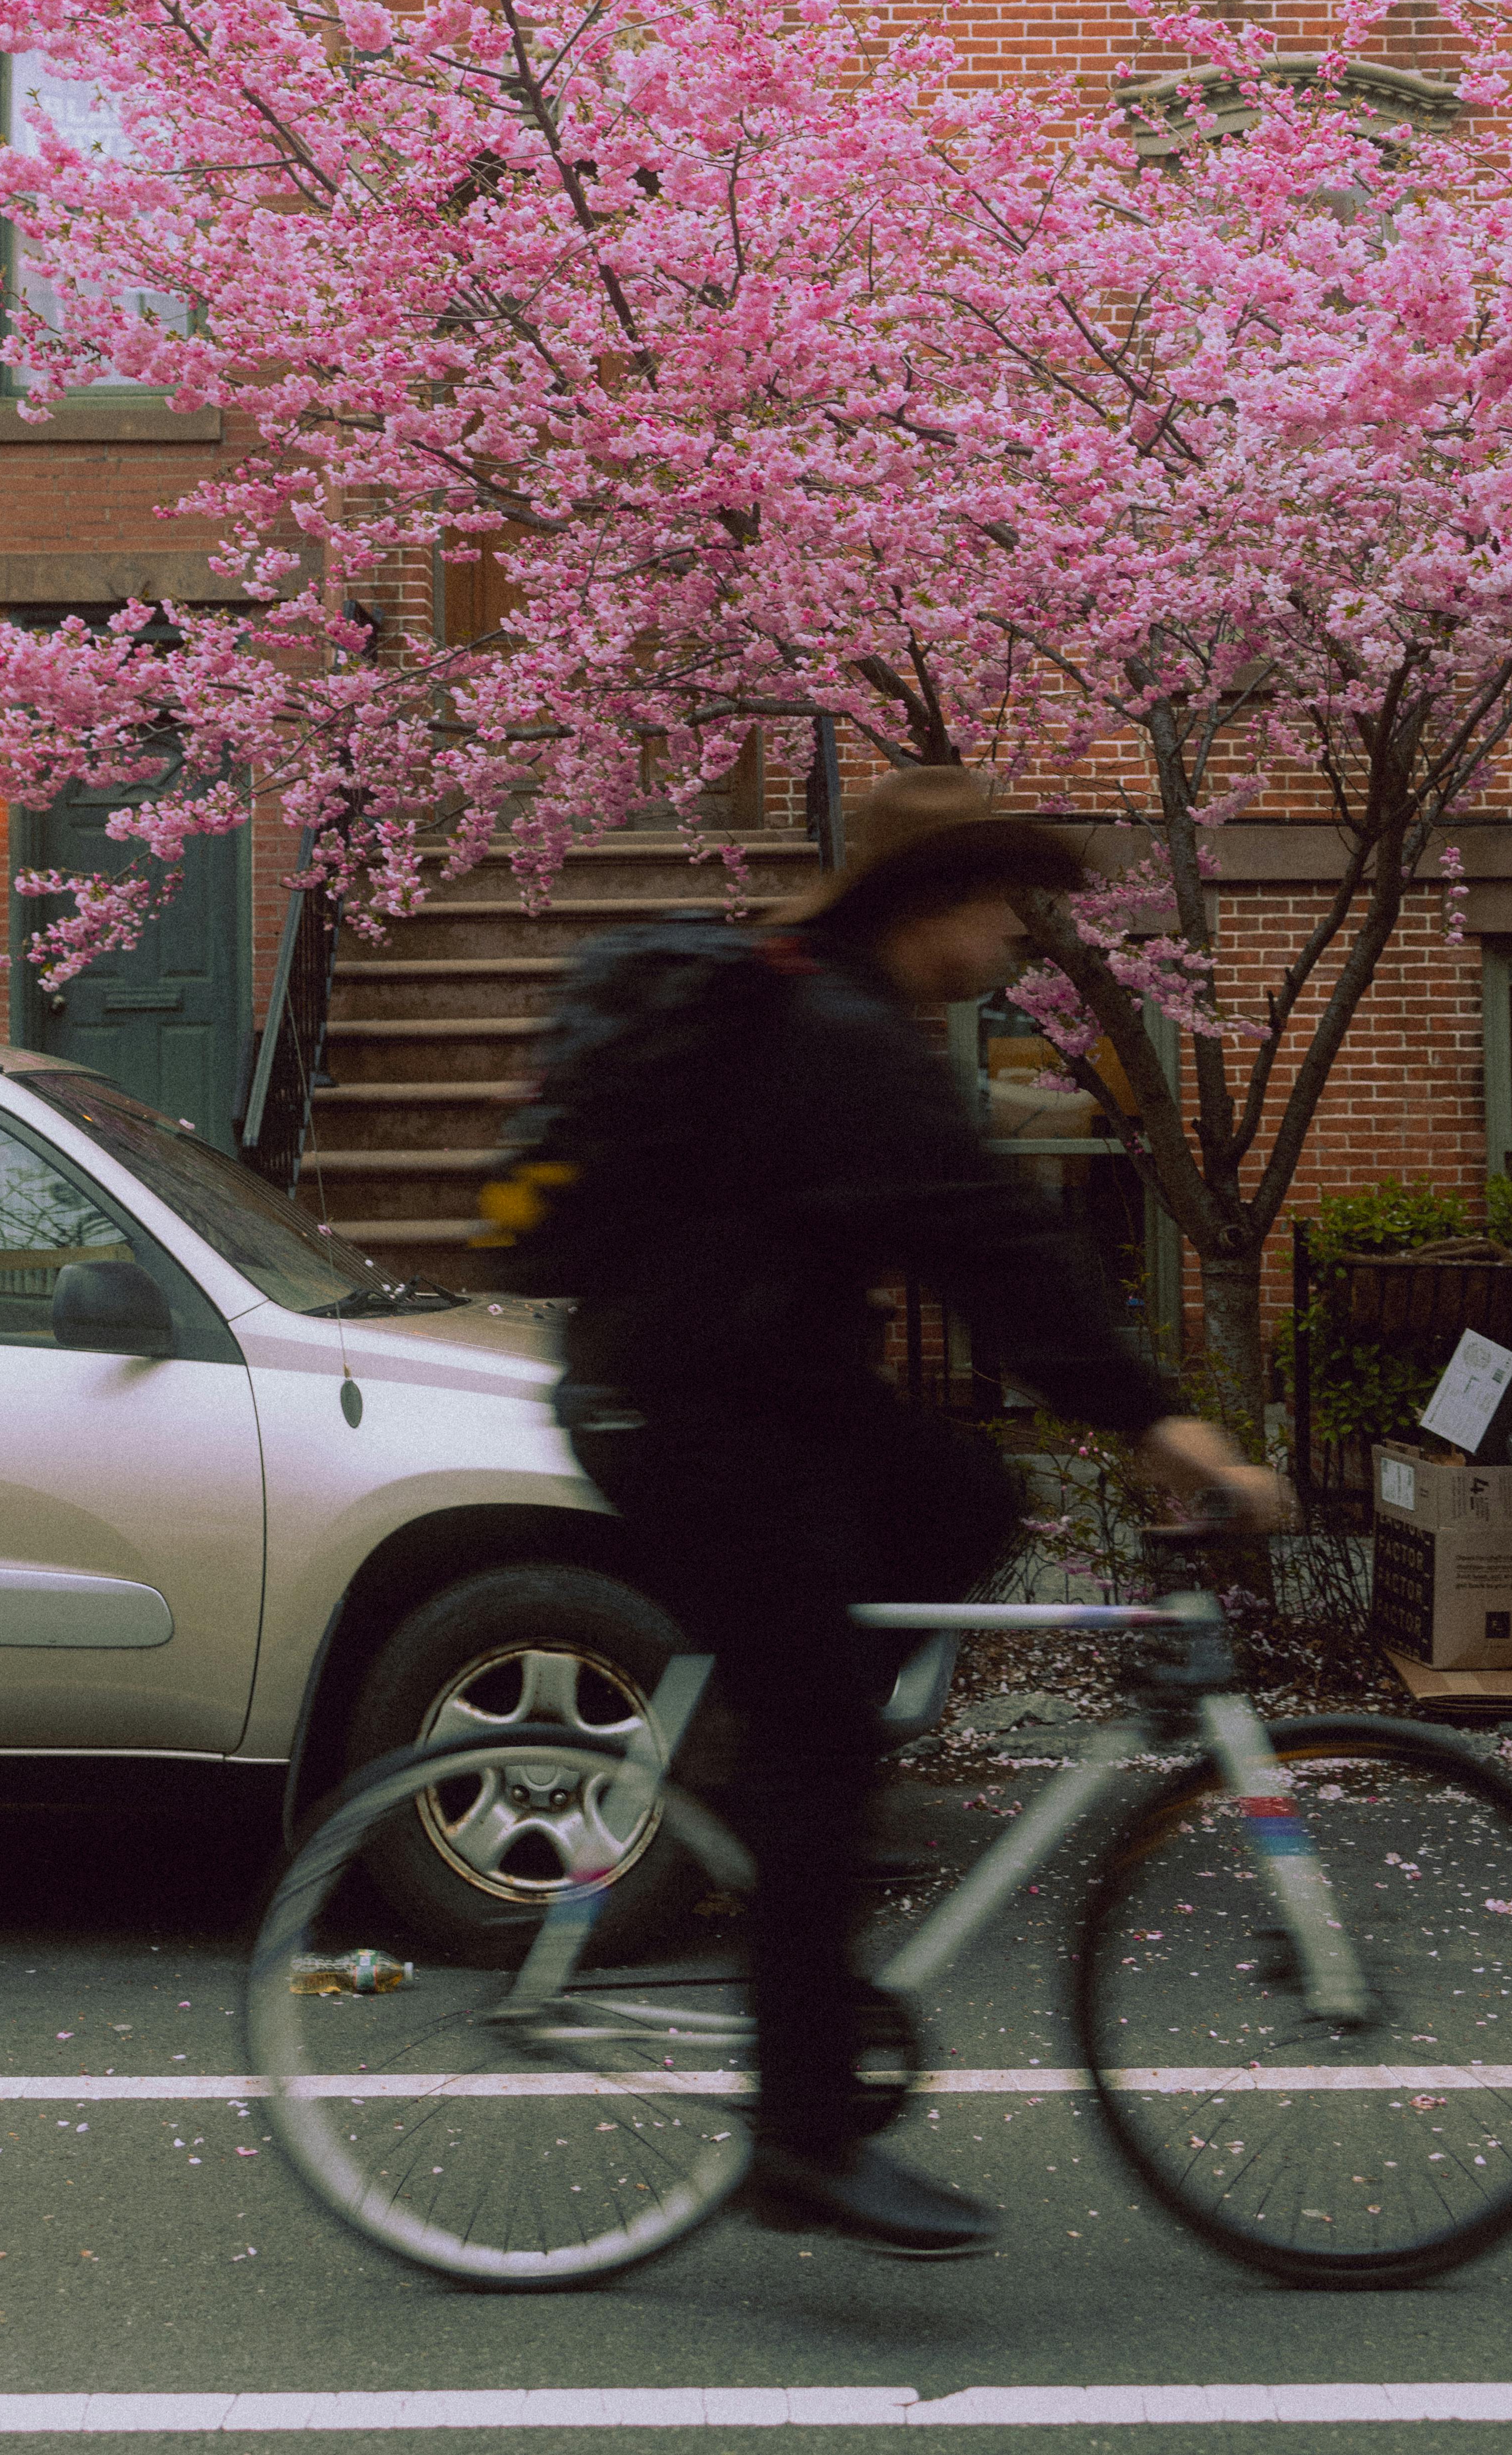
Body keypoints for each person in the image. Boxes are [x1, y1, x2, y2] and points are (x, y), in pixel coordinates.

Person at [497, 768, 1289, 2261]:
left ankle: (777, 1756)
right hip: (680, 1414)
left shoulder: (849, 1021)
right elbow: (991, 1244)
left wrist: (1112, 1422)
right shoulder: (838, 1033)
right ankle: (797, 2134)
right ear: (931, 903)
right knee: (816, 1737)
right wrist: (1160, 1423)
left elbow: (957, 1223)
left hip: (751, 1387)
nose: (1011, 937)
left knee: (962, 1492)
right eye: (997, 905)